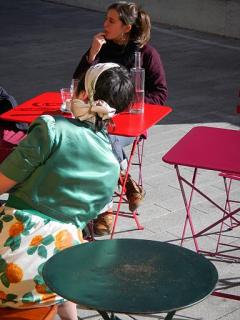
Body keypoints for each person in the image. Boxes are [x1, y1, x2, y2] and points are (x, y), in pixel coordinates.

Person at [0, 63, 134, 320]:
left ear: (83, 95)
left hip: (11, 260)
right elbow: (68, 222)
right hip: (62, 272)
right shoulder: (111, 165)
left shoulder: (52, 130)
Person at [73, 1, 168, 235]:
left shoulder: (146, 54)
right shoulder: (102, 47)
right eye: (106, 19)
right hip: (98, 117)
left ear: (126, 27)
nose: (104, 24)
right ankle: (128, 183)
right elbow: (78, 84)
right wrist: (92, 53)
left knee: (106, 144)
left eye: (111, 21)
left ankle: (104, 212)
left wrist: (130, 104)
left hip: (128, 122)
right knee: (89, 140)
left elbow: (161, 94)